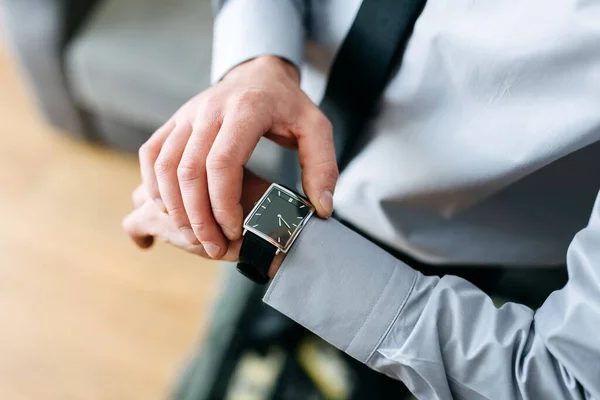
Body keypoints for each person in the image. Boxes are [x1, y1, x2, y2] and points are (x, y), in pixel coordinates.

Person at [122, 1, 600, 398]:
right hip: (268, 171)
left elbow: (566, 379)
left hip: (453, 277)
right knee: (222, 362)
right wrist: (256, 59)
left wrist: (280, 241)